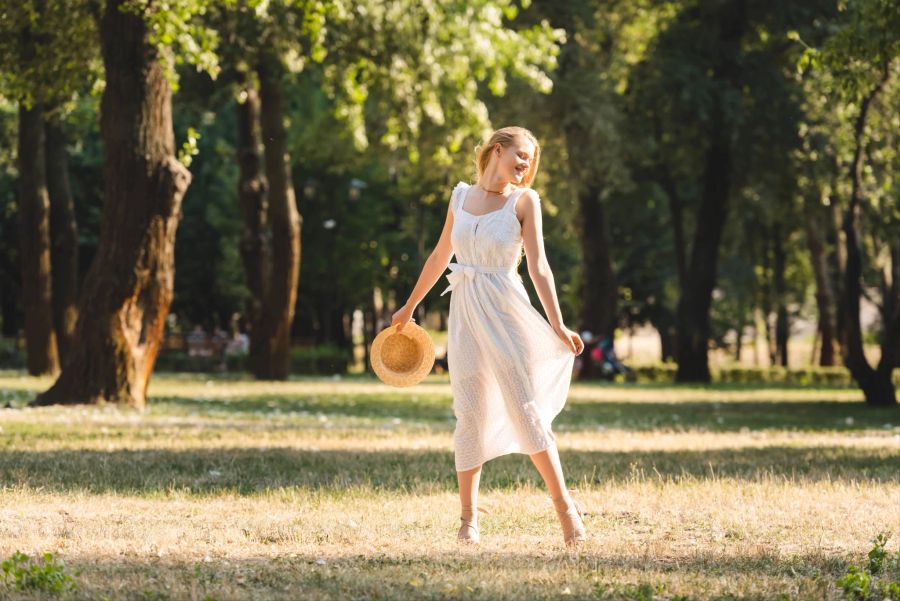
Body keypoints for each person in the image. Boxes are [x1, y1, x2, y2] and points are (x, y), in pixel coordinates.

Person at [390, 126, 587, 547]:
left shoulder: (524, 202)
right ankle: (468, 520)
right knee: (470, 413)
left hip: (506, 313)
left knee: (524, 409)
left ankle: (566, 510)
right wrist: (409, 307)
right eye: (521, 155)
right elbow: (441, 255)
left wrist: (558, 324)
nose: (526, 165)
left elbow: (539, 268)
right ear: (498, 151)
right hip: (464, 315)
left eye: (531, 160)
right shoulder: (460, 196)